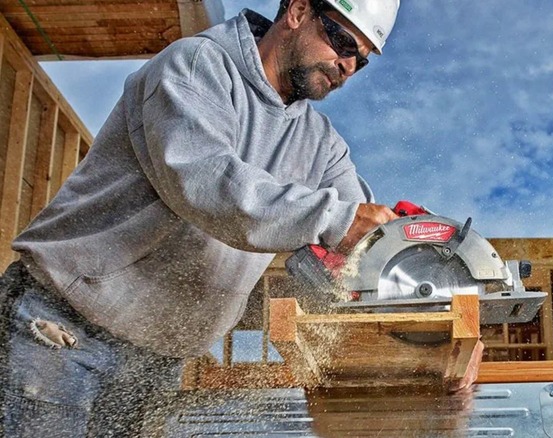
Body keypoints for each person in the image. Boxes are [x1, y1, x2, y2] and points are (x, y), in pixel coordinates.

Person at [0, 0, 481, 435]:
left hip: (158, 358)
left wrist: (450, 334)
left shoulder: (322, 144)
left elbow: (370, 252)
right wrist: (336, 220)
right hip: (63, 326)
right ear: (296, 11)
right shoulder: (196, 66)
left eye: (362, 58)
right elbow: (208, 186)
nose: (348, 66)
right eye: (341, 41)